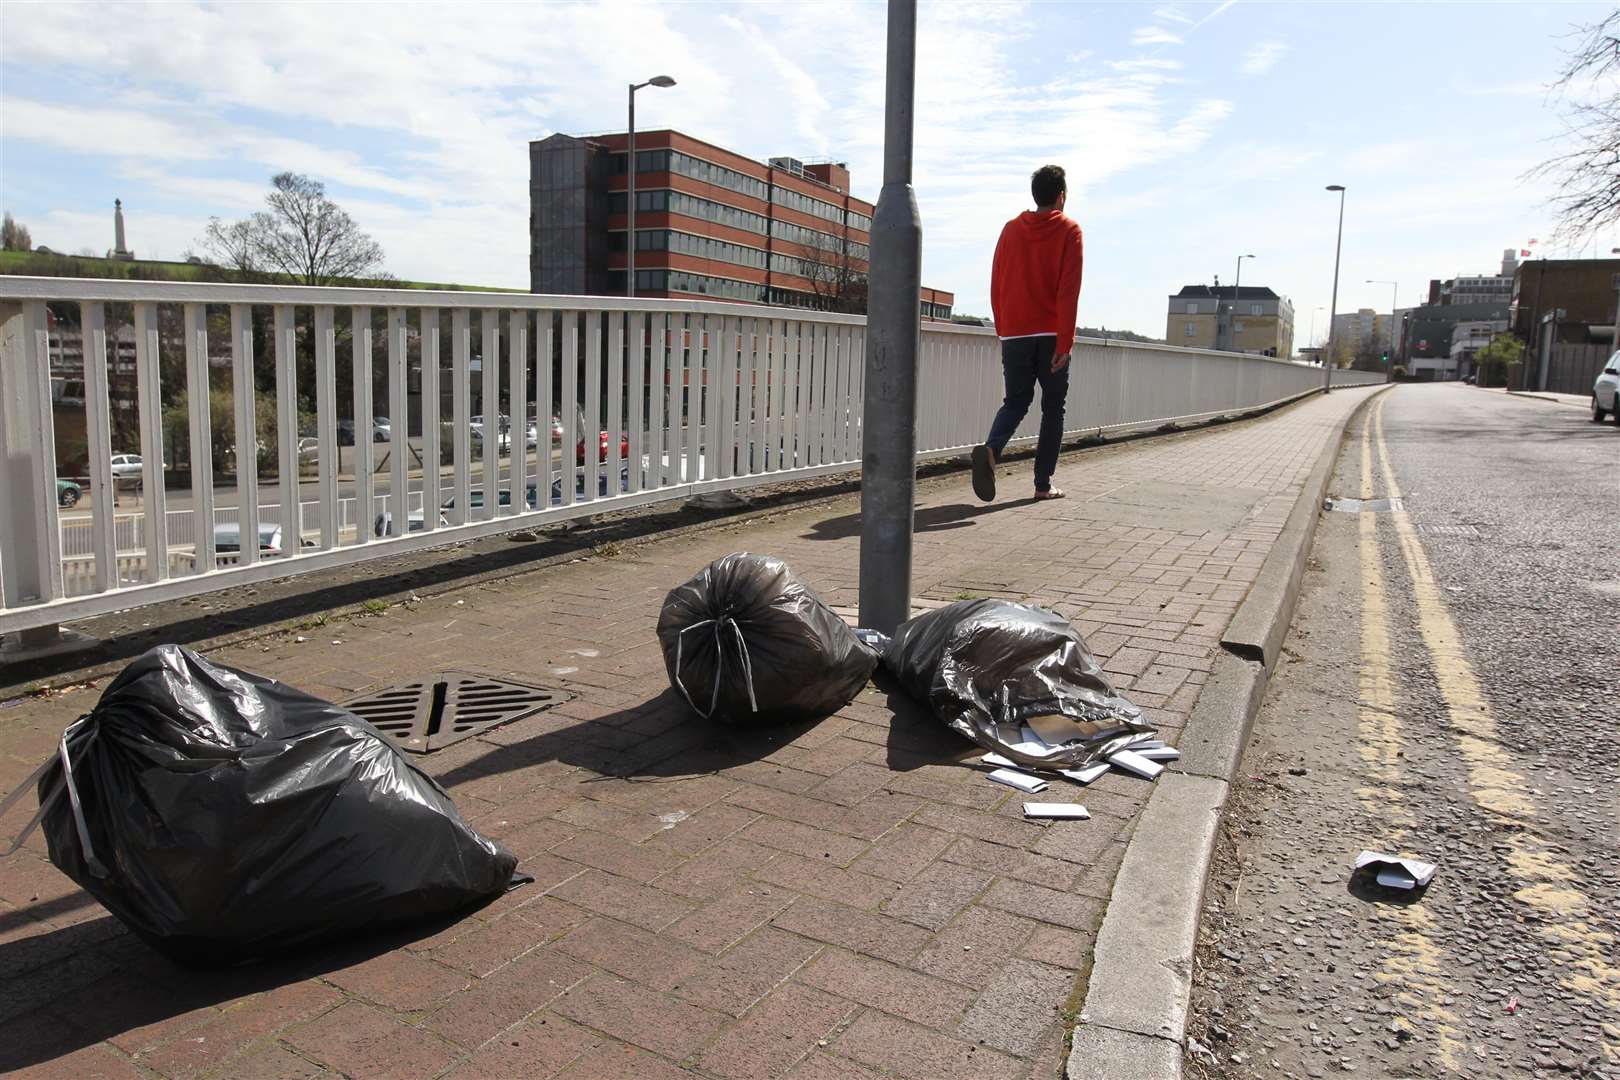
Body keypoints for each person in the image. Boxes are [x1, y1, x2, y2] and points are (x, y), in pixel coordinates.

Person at [972, 164, 1084, 502]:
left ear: (1035, 195)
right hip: (1051, 335)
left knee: (1016, 401)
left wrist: (1003, 330)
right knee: (1053, 408)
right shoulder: (1069, 230)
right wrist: (1065, 342)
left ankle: (992, 450)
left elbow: (996, 283)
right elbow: (1068, 291)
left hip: (1015, 335)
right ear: (1061, 197)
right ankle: (1042, 484)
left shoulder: (1009, 230)